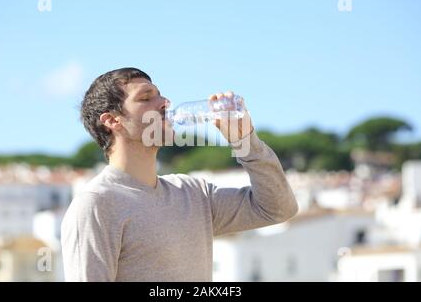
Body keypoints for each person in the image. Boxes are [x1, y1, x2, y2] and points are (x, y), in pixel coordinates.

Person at [61, 67, 298, 281]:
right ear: (112, 120)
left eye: (160, 95)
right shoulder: (96, 204)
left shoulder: (194, 195)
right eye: (146, 97)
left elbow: (278, 209)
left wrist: (246, 141)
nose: (164, 102)